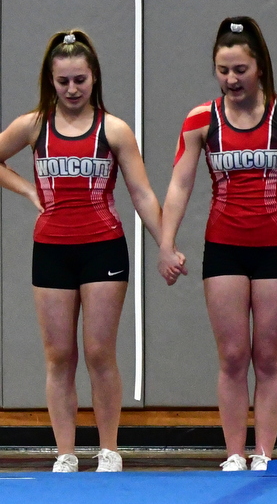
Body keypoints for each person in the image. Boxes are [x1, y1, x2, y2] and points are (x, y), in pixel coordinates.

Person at [158, 16, 277, 471]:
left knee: (268, 355)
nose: (231, 79)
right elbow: (180, 186)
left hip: (276, 247)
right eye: (223, 70)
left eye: (240, 69)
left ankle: (264, 451)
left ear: (259, 68)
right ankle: (234, 452)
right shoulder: (200, 120)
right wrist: (166, 244)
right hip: (224, 247)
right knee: (231, 355)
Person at [0, 30, 165, 473]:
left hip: (103, 249)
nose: (72, 90)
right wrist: (26, 189)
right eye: (63, 82)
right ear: (49, 82)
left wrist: (165, 244)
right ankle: (66, 452)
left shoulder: (113, 130)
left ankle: (109, 448)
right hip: (51, 249)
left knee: (98, 351)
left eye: (80, 80)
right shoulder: (34, 125)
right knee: (58, 354)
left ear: (94, 79)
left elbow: (143, 194)